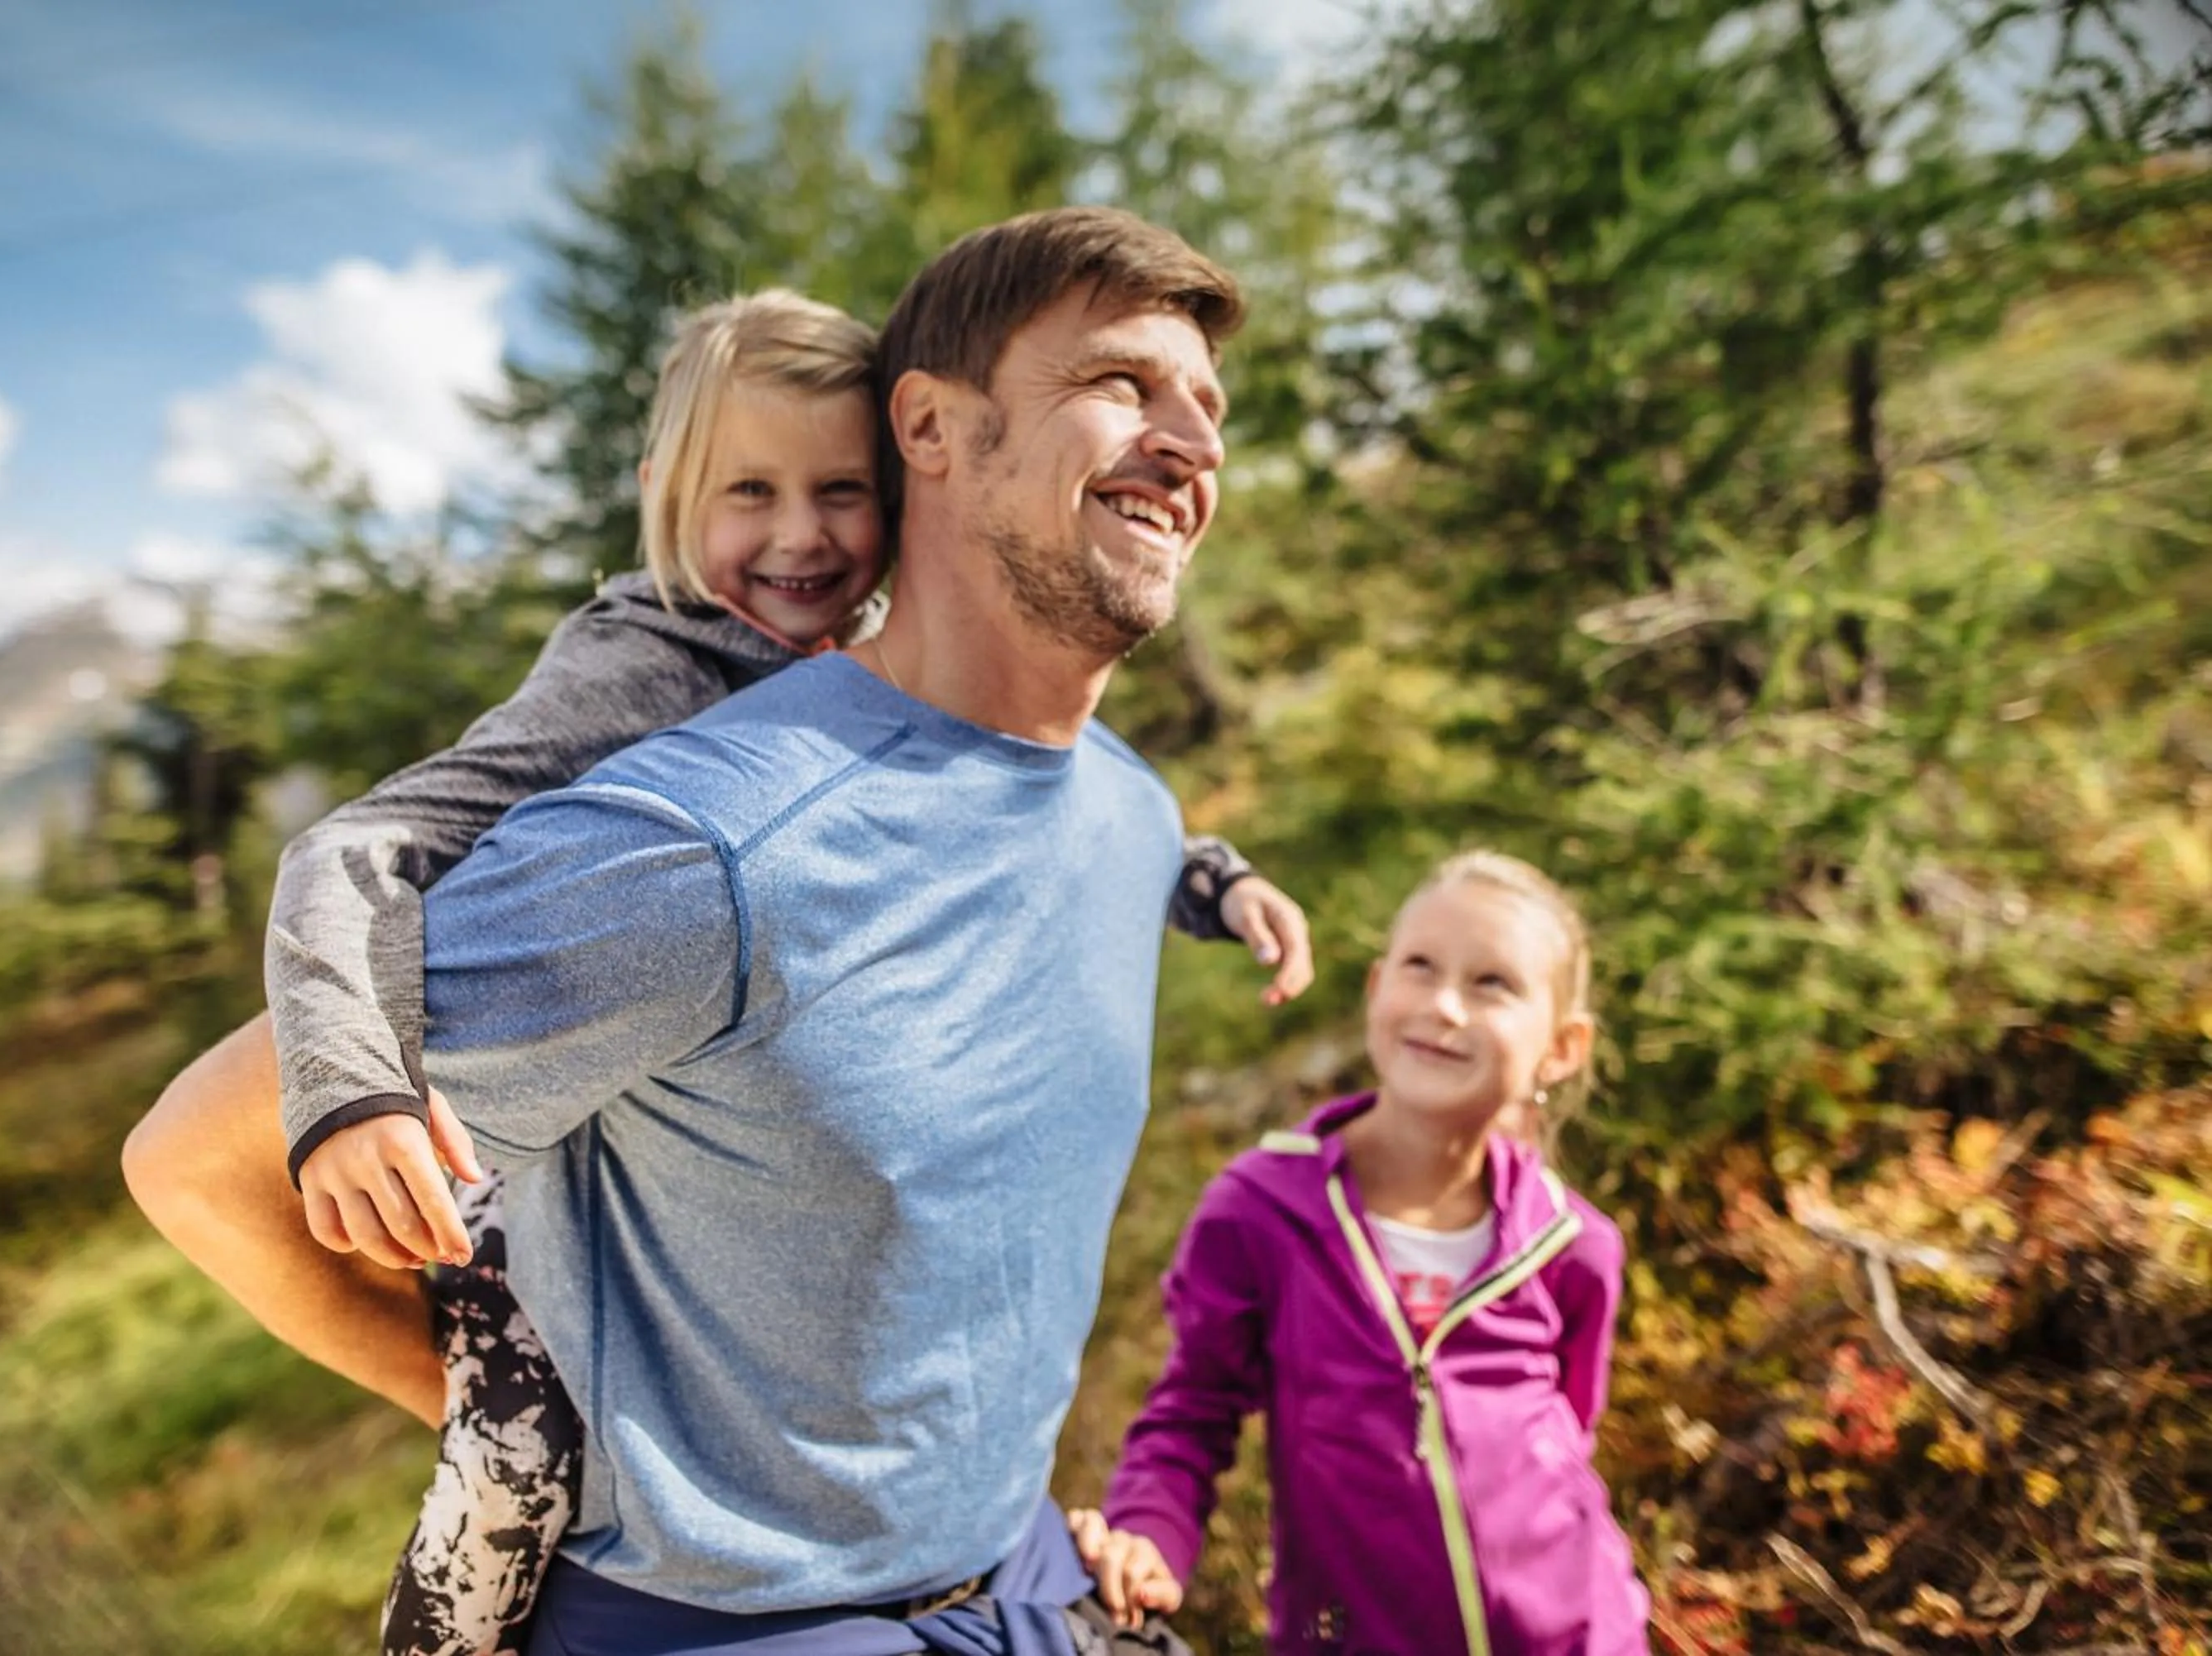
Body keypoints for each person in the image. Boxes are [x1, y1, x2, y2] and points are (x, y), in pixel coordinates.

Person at [124, 215, 1308, 1656]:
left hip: (1023, 1574)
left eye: (1211, 407)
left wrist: (1221, 879)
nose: (1195, 441)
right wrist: (504, 1416)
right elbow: (200, 1155)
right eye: (1125, 382)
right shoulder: (692, 835)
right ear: (930, 427)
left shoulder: (1127, 808)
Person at [1070, 850, 1653, 1656]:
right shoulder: (1261, 1210)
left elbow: (1569, 1439)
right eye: (1420, 966)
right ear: (1378, 989)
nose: (1444, 1005)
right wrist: (1147, 1535)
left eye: (1493, 984)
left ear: (1561, 1047)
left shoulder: (1575, 1244)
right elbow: (1191, 1415)